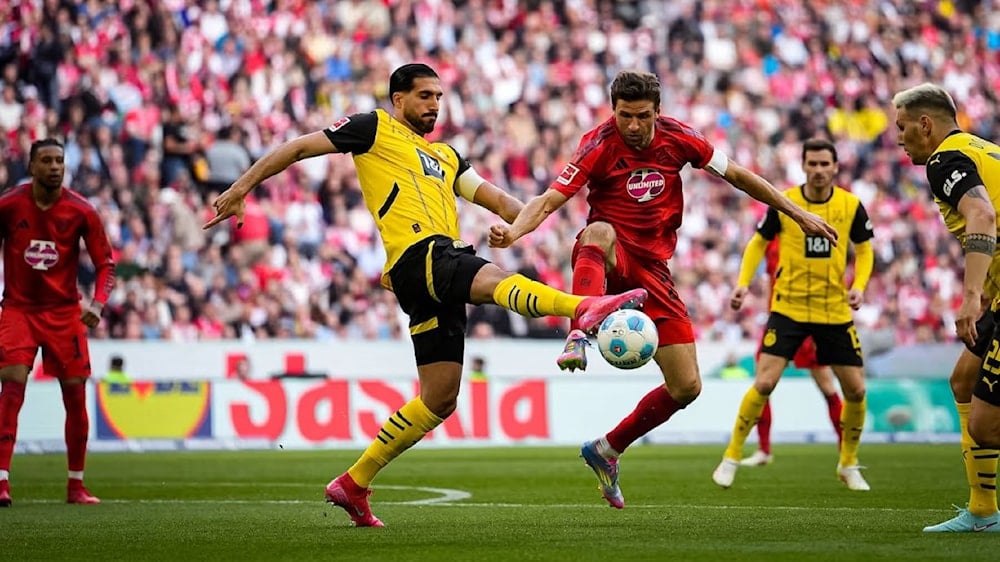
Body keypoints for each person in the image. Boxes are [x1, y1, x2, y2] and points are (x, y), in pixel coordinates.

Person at [203, 63, 647, 527]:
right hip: (420, 255)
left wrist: (521, 226)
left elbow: (499, 200)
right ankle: (583, 308)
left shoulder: (448, 157)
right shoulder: (374, 127)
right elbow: (297, 147)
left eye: (438, 96)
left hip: (429, 275)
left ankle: (354, 482)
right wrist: (240, 189)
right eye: (424, 96)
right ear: (399, 99)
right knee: (492, 280)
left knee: (439, 398)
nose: (435, 104)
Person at [488, 70, 837, 509]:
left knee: (687, 386)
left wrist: (796, 212)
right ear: (612, 109)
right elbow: (548, 200)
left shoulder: (680, 138)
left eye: (642, 116)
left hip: (654, 269)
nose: (632, 126)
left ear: (658, 111)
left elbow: (740, 176)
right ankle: (580, 330)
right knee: (596, 230)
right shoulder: (598, 144)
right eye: (623, 115)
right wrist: (515, 233)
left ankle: (607, 449)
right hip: (611, 255)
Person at [711, 137, 874, 491]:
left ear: (834, 167)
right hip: (789, 308)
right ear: (803, 165)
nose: (817, 170)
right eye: (811, 163)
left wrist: (859, 284)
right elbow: (757, 243)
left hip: (834, 311)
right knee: (764, 382)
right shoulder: (786, 203)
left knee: (857, 391)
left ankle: (848, 463)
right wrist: (742, 283)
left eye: (823, 164)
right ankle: (731, 456)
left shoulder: (851, 206)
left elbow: (864, 250)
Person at [892, 82, 1000, 532]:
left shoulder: (945, 159)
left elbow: (983, 215)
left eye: (902, 127)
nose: (899, 139)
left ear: (925, 124)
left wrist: (971, 296)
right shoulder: (987, 149)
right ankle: (982, 512)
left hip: (992, 294)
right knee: (963, 380)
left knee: (986, 427)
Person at [0, 138, 115, 506]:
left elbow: (105, 264)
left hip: (65, 312)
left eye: (59, 161)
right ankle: (1, 481)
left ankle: (76, 485)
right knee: (12, 385)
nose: (54, 167)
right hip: (18, 308)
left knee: (75, 393)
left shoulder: (81, 211)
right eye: (46, 161)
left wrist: (97, 304)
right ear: (31, 167)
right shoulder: (8, 205)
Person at [739, 238, 844, 467]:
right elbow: (770, 279)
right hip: (779, 321)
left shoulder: (806, 229)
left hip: (808, 319)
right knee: (762, 384)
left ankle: (847, 452)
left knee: (826, 386)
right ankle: (764, 450)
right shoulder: (771, 233)